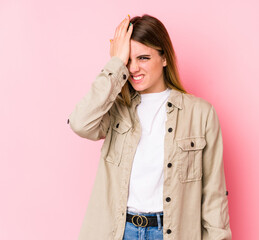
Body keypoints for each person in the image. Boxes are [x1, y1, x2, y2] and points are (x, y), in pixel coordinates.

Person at [68, 14, 232, 240]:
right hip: (119, 231)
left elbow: (214, 195)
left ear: (164, 58)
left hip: (171, 233)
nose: (133, 68)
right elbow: (80, 122)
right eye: (128, 59)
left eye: (143, 58)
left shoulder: (200, 113)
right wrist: (116, 64)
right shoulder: (116, 108)